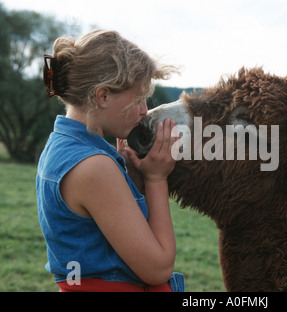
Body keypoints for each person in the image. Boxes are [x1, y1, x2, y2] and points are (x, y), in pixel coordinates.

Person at [36, 29, 184, 292]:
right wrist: (156, 179)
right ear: (102, 96)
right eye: (138, 99)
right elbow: (158, 268)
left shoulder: (60, 147)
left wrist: (132, 182)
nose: (144, 110)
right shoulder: (94, 166)